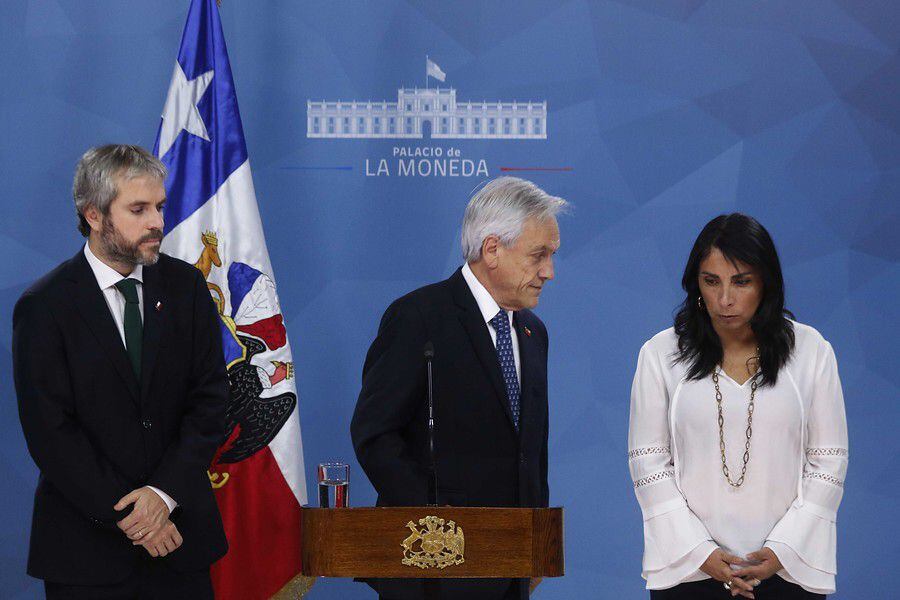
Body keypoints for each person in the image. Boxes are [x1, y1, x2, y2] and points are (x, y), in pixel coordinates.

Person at [13, 144, 228, 598]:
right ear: (94, 215)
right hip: (86, 553)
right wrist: (136, 518)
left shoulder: (186, 286)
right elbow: (50, 431)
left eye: (160, 207)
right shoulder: (45, 306)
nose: (158, 222)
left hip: (180, 542)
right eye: (139, 209)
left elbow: (211, 400)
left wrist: (163, 496)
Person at [350, 177, 565, 600]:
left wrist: (535, 543)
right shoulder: (418, 317)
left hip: (509, 564)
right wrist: (436, 525)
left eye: (551, 256)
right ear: (492, 249)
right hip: (429, 567)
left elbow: (530, 450)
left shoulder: (532, 332)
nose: (549, 272)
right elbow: (374, 433)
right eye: (539, 255)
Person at [628, 214, 848, 599]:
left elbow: (828, 460)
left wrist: (782, 550)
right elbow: (648, 462)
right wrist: (702, 552)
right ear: (696, 284)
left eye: (741, 281)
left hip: (788, 570)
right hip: (690, 571)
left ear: (766, 283)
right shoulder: (660, 354)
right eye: (711, 281)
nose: (725, 299)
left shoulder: (812, 351)